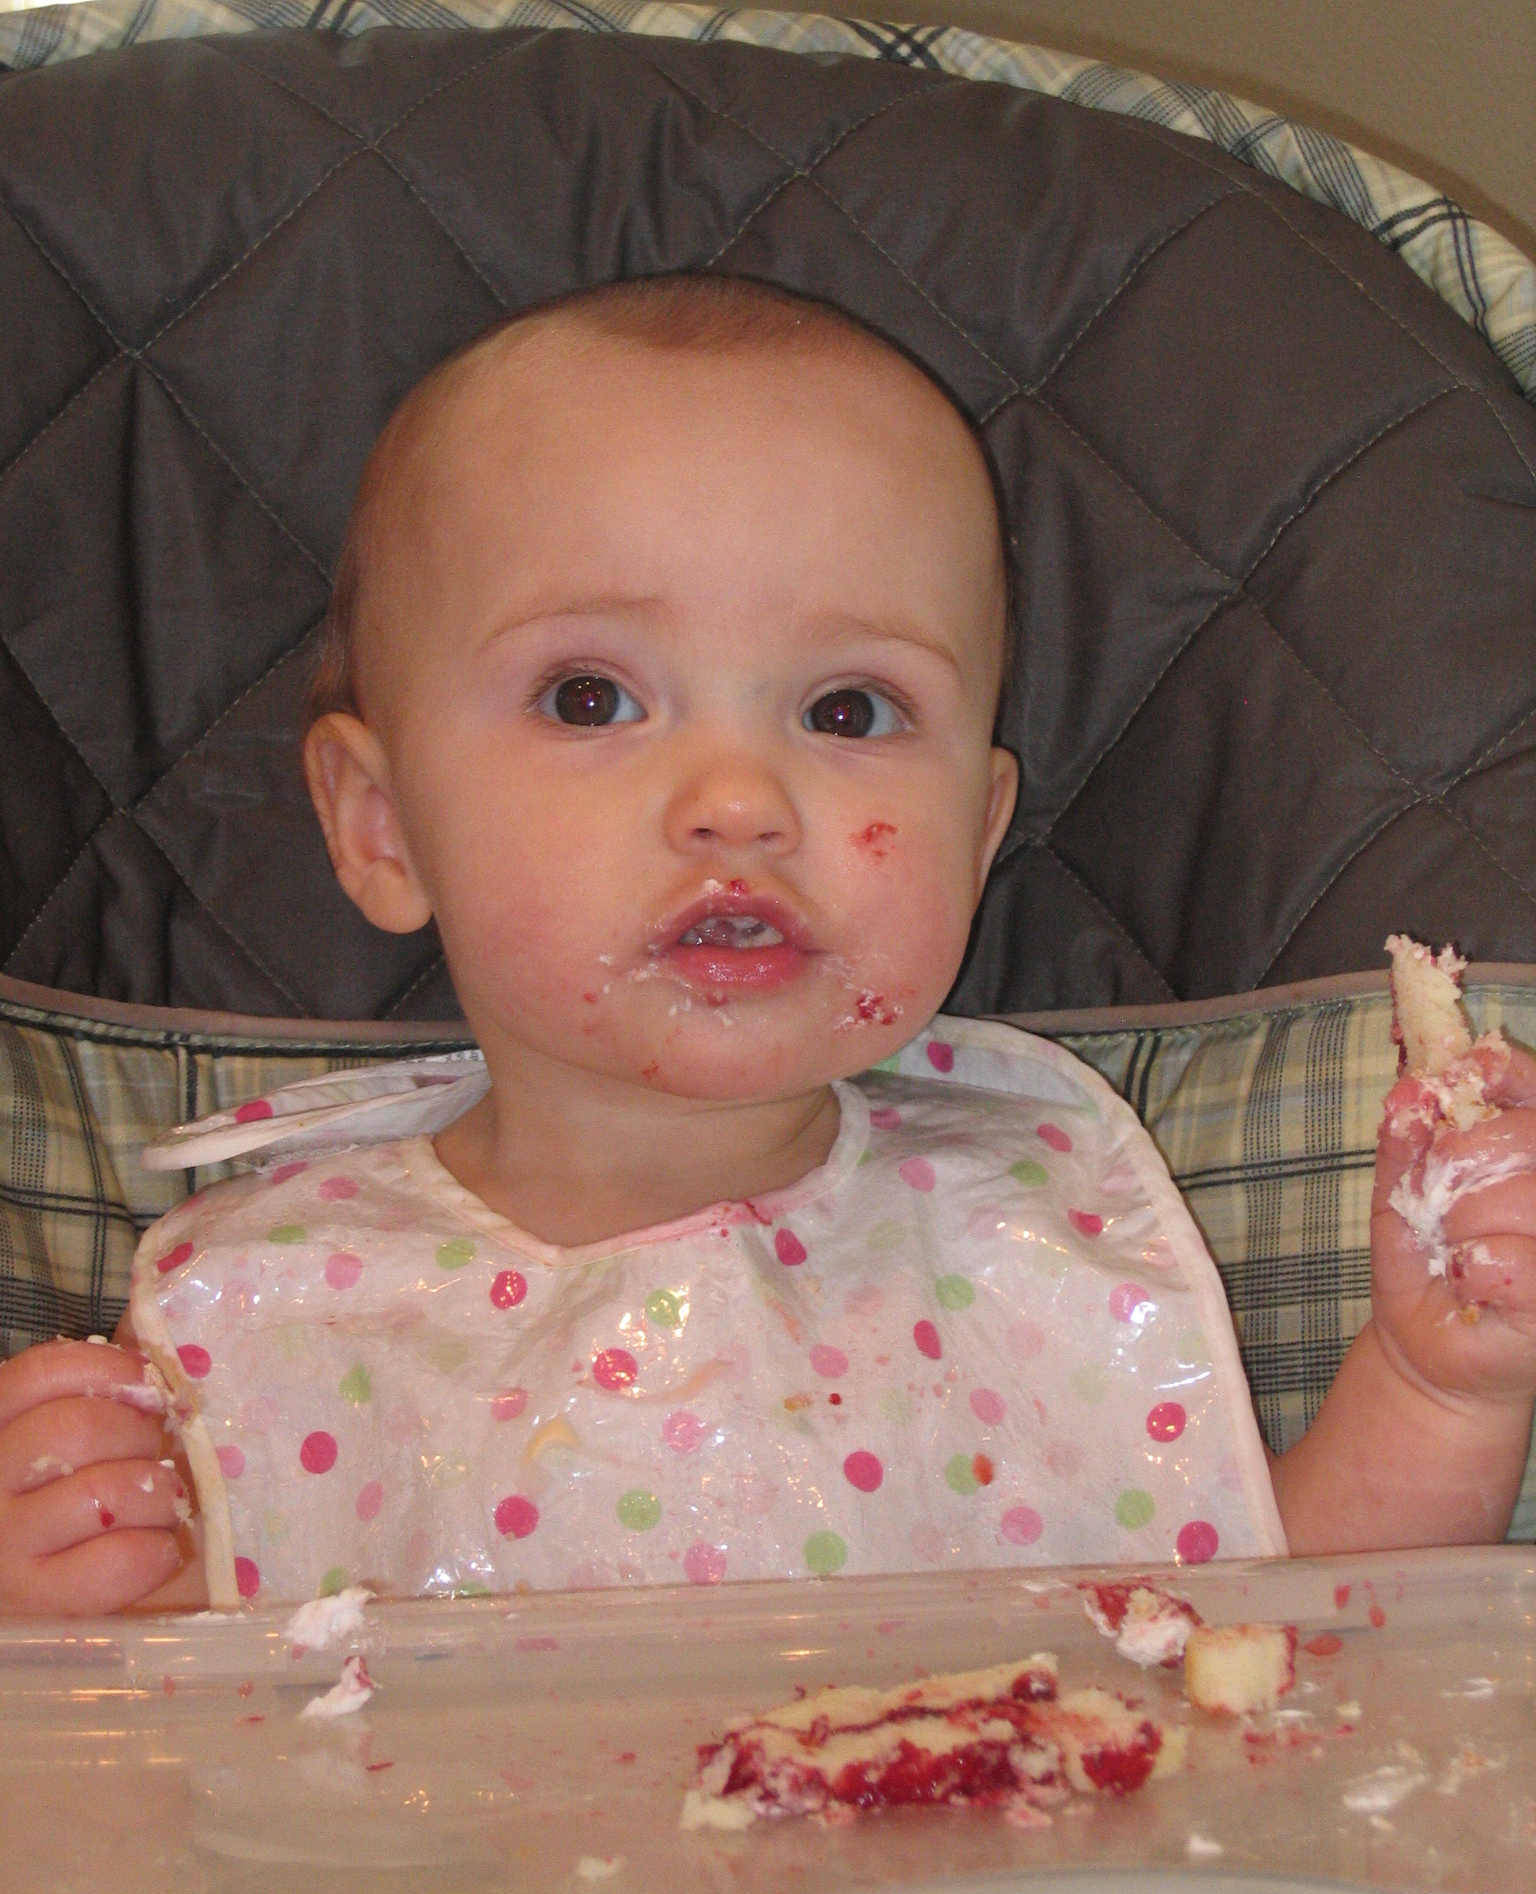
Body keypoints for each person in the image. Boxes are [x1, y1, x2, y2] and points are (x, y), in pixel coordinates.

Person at [1, 277, 1532, 1615]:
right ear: (382, 826)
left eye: (848, 712)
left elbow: (1290, 1661)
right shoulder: (270, 1322)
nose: (738, 802)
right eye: (592, 698)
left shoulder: (1025, 1239)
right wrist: (84, 1615)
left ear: (979, 831)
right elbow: (171, 1829)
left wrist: (1434, 1391)